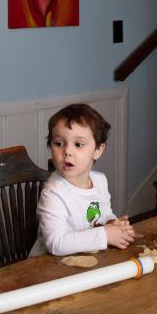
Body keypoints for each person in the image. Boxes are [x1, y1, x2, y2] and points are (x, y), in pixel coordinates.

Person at [31, 104, 135, 256]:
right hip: (49, 269)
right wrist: (105, 235)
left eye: (78, 144)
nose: (67, 151)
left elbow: (104, 214)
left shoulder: (100, 181)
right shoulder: (53, 192)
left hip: (85, 263)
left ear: (98, 151)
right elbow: (55, 243)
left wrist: (113, 224)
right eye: (59, 143)